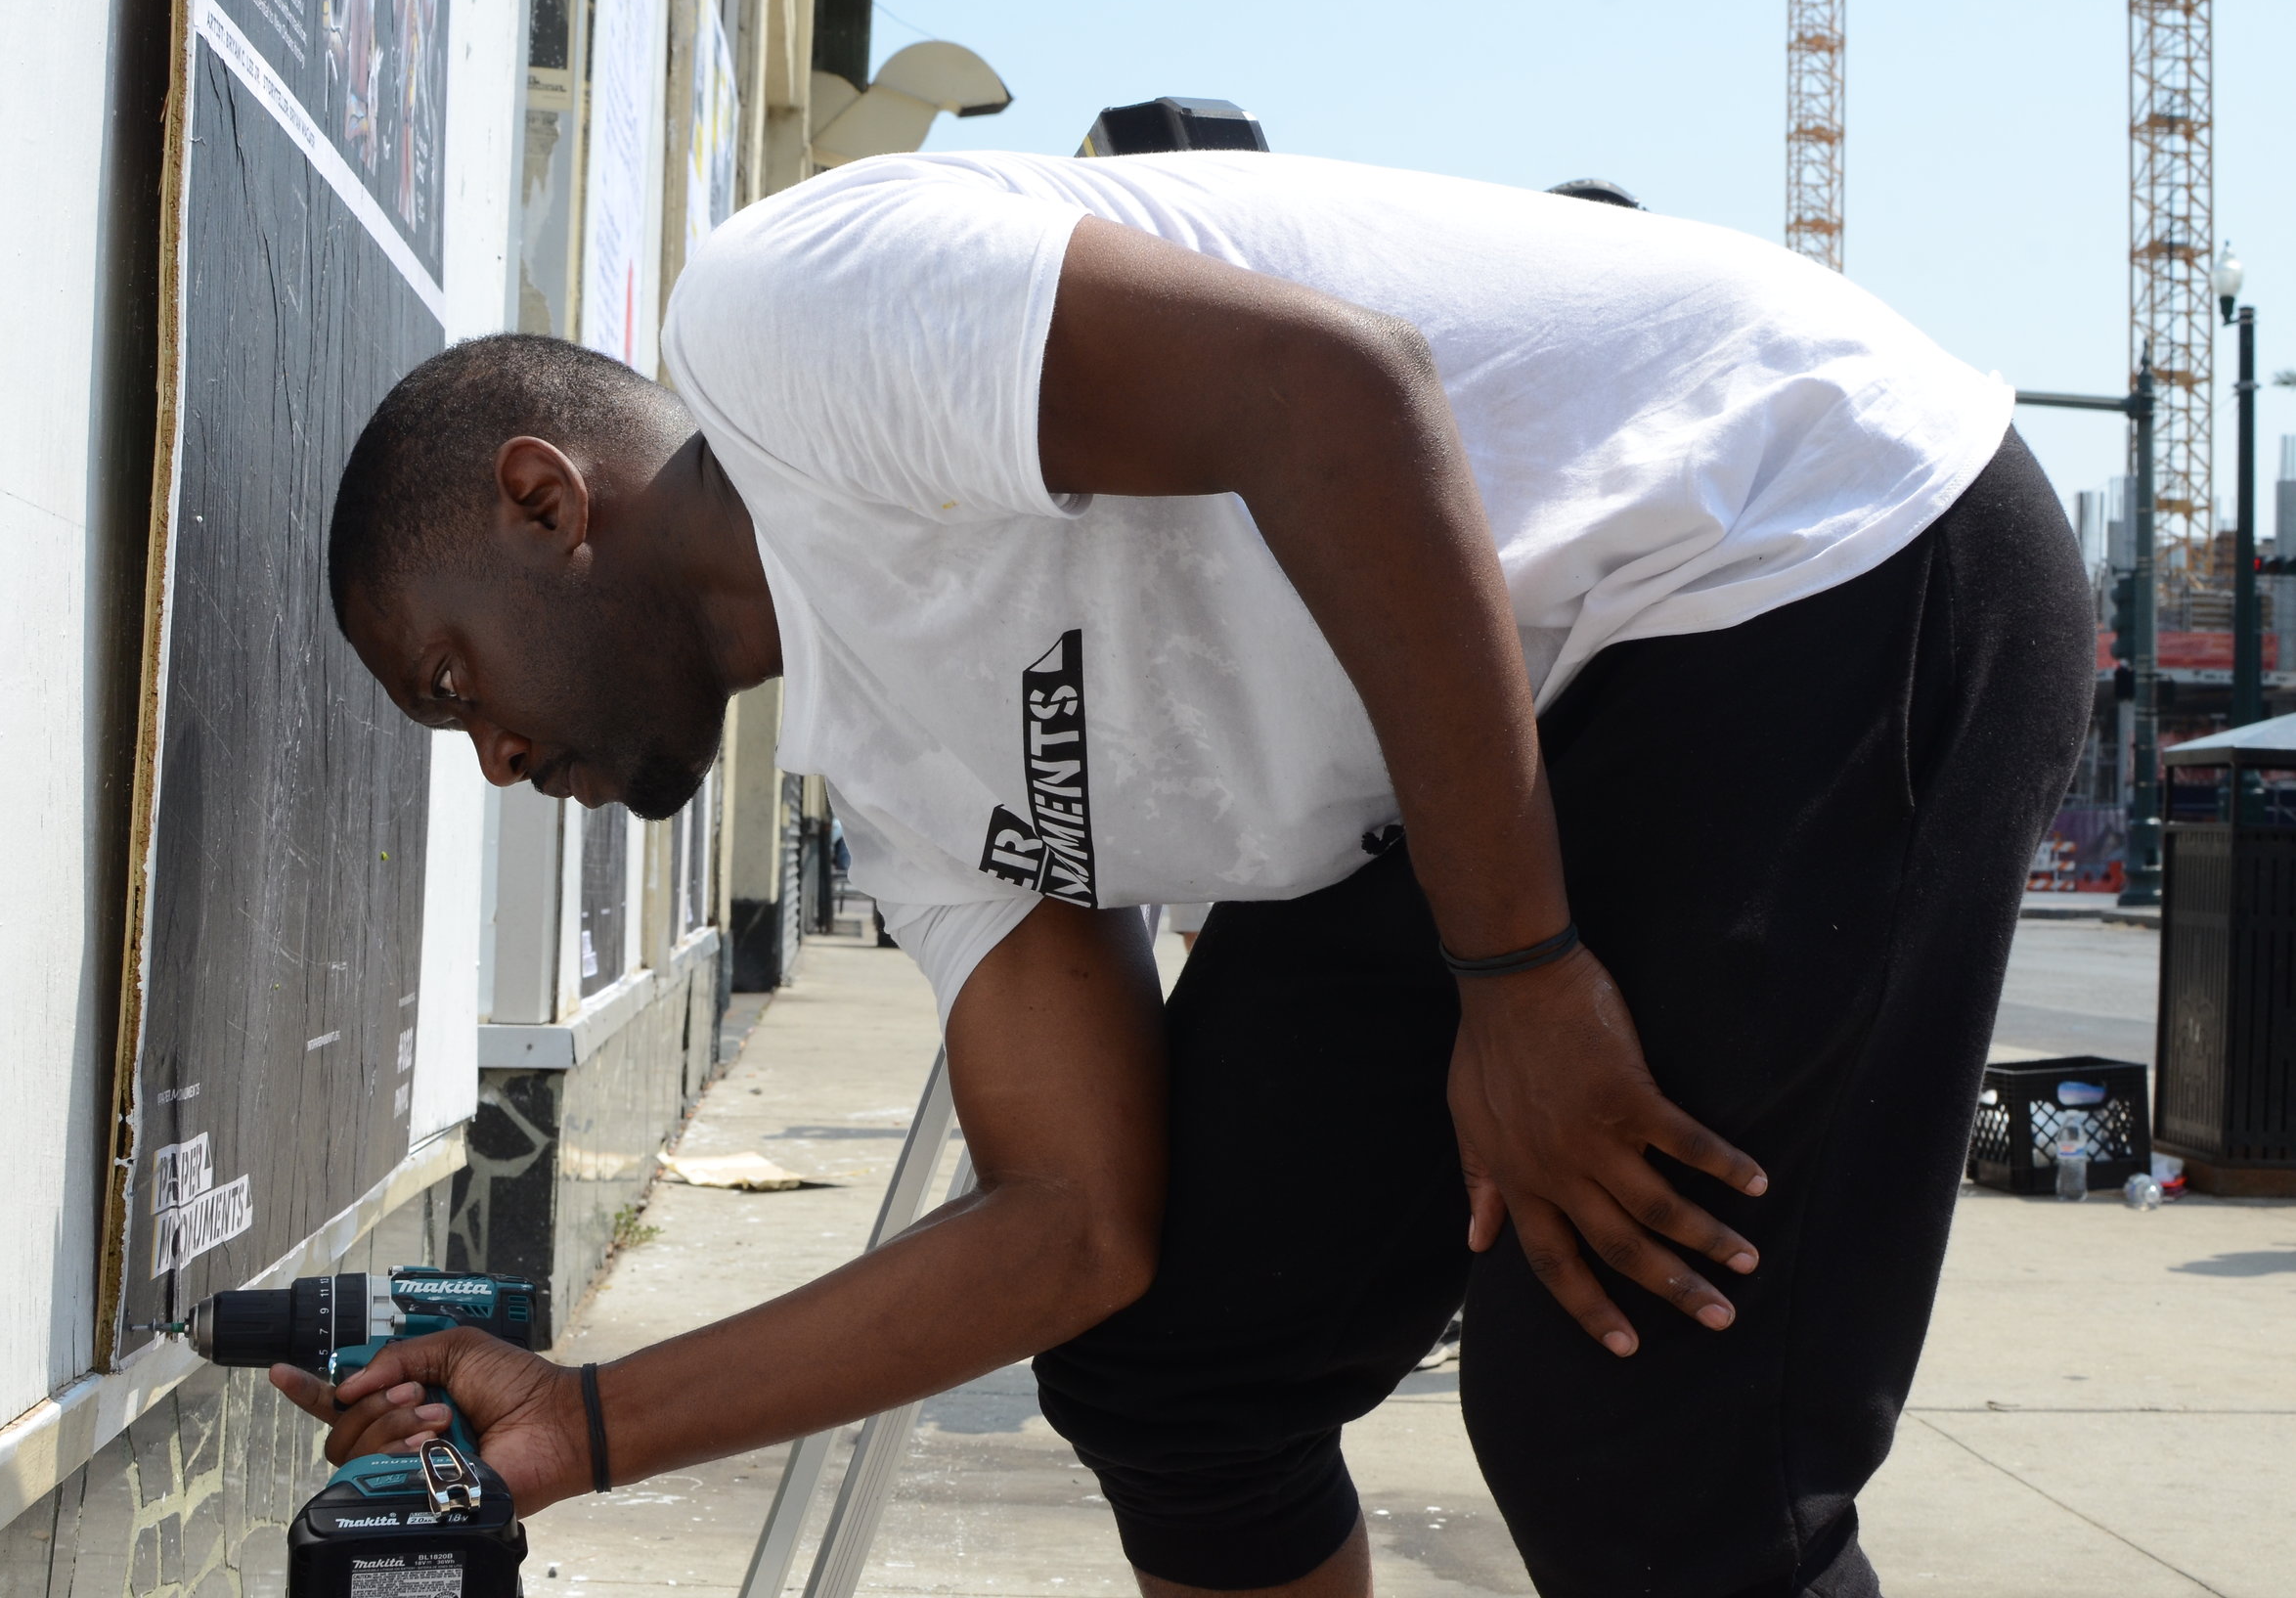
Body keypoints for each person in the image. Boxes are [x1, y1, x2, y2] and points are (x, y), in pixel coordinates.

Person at [281, 149, 2091, 1597]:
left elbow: (1338, 400)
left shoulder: (786, 317)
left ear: (545, 500)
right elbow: (1078, 1226)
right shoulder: (902, 782)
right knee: (1183, 1365)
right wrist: (578, 1428)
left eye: (456, 687)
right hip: (1509, 740)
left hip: (1810, 546)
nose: (498, 757)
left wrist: (1519, 973)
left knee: (1636, 1445)